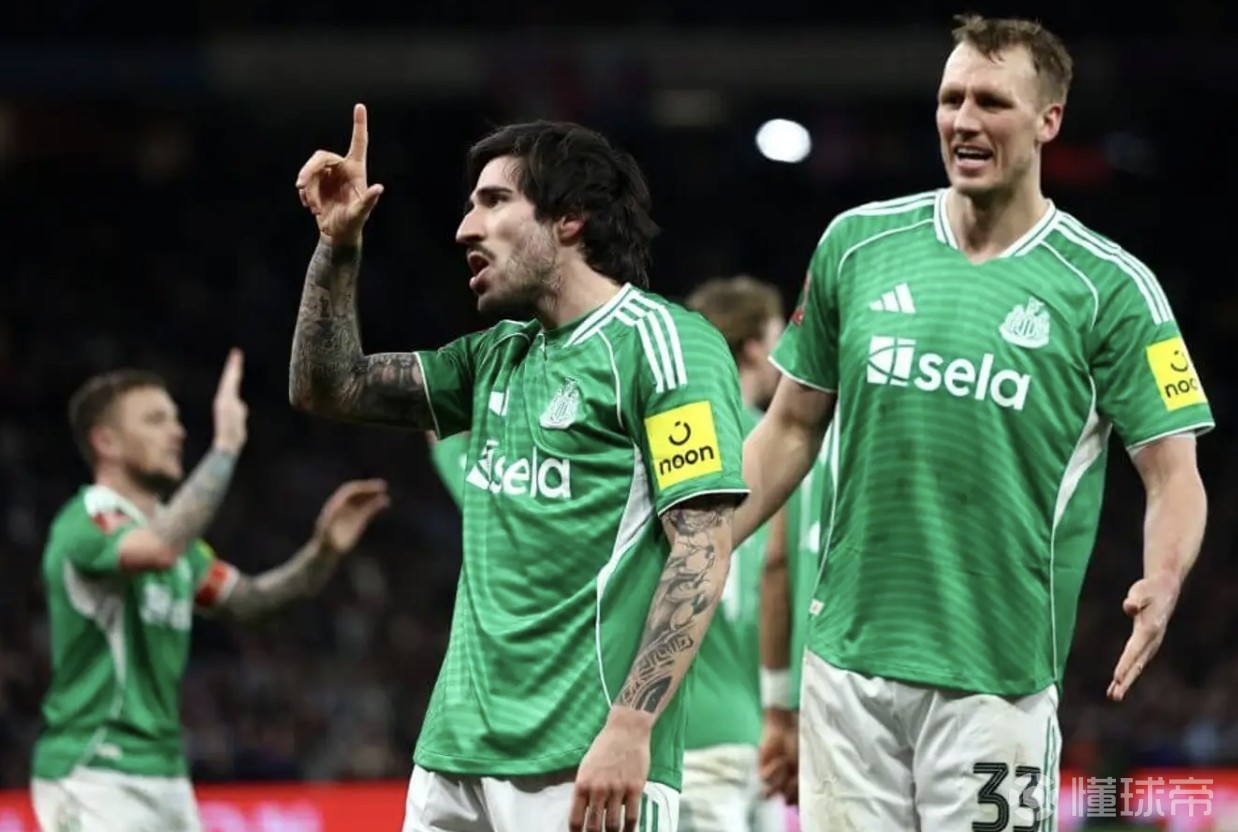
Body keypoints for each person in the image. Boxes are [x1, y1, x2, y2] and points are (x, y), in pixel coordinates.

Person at [732, 14, 1214, 831]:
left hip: (998, 686)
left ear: (1048, 120)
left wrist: (1163, 581)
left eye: (991, 101)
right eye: (950, 98)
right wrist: (705, 534)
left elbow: (1174, 474)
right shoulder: (857, 245)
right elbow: (790, 429)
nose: (963, 120)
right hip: (845, 671)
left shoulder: (1110, 290)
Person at [289, 106, 750, 832]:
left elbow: (701, 546)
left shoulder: (663, 346)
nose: (465, 229)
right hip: (452, 759)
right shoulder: (494, 356)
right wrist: (337, 246)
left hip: (583, 760)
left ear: (569, 218)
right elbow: (328, 387)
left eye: (494, 201)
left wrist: (631, 727)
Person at [30, 351, 390, 832]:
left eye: (176, 419)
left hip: (166, 775)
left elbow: (252, 602)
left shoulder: (179, 546)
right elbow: (157, 549)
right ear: (106, 441)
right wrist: (224, 447)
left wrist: (323, 551)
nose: (177, 432)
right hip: (93, 771)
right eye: (155, 420)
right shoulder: (87, 520)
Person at [677, 276, 788, 832]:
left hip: (689, 732)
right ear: (752, 347)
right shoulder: (790, 447)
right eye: (778, 336)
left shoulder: (674, 439)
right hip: (768, 731)